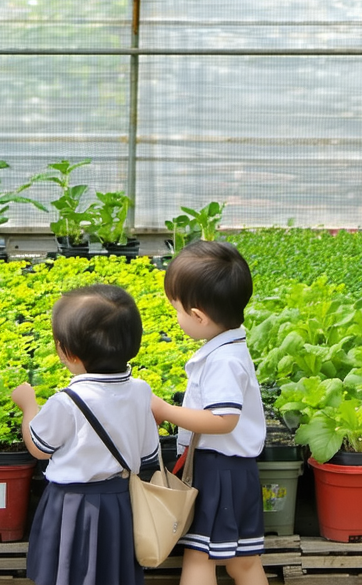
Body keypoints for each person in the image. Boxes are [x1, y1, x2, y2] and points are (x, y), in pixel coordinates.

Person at [11, 284, 160, 585]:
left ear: (68, 353)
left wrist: (28, 406)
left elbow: (39, 447)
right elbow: (148, 455)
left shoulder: (67, 400)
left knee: (67, 573)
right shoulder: (141, 392)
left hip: (71, 505)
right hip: (119, 504)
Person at [150, 241, 268, 585]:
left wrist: (165, 410)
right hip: (238, 472)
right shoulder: (230, 347)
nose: (177, 317)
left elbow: (222, 420)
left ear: (198, 316)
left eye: (178, 310)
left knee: (199, 559)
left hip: (220, 472)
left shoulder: (223, 361)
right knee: (243, 562)